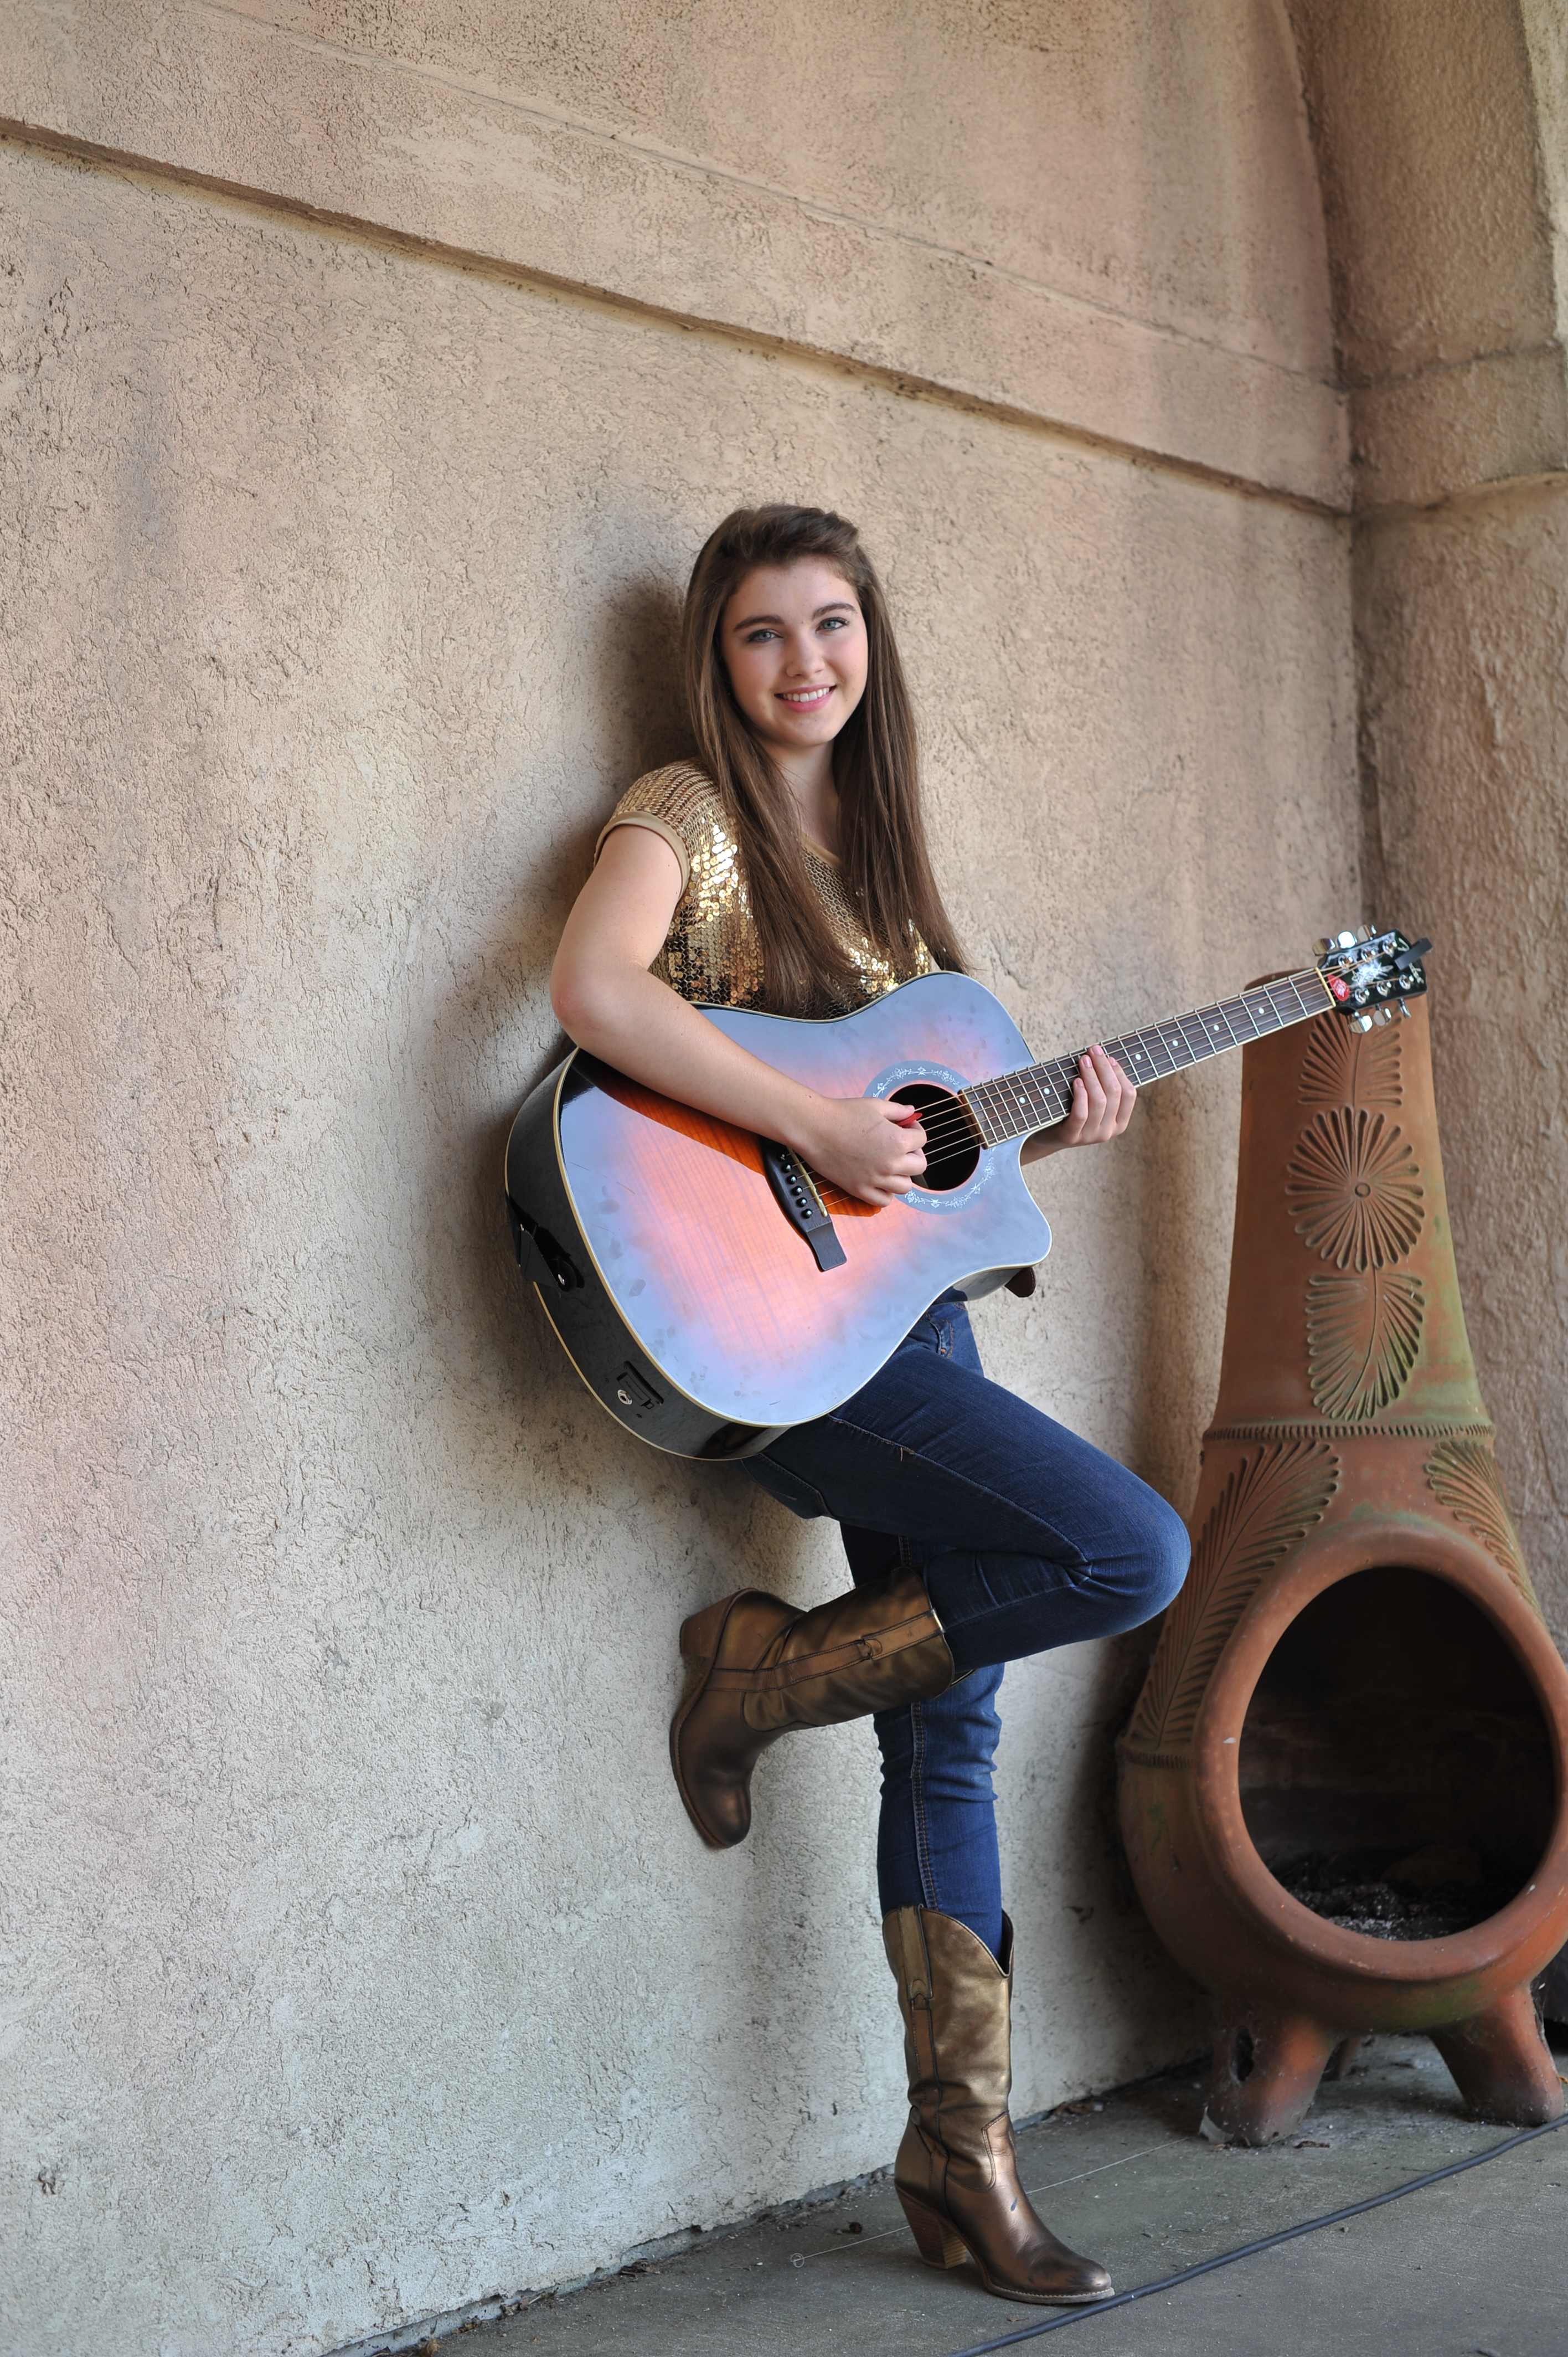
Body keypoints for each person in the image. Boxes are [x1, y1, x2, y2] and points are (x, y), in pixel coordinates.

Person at [550, 505, 1189, 2308]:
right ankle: (754, 1683)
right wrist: (816, 1125)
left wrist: (1052, 1116)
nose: (805, 662)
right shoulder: (685, 812)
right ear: (717, 656)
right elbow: (591, 991)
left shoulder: (890, 862)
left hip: (895, 1317)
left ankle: (961, 2162)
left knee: (957, 1721)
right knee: (1128, 1546)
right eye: (765, 633)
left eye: (834, 625)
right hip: (751, 1331)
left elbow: (929, 1141)